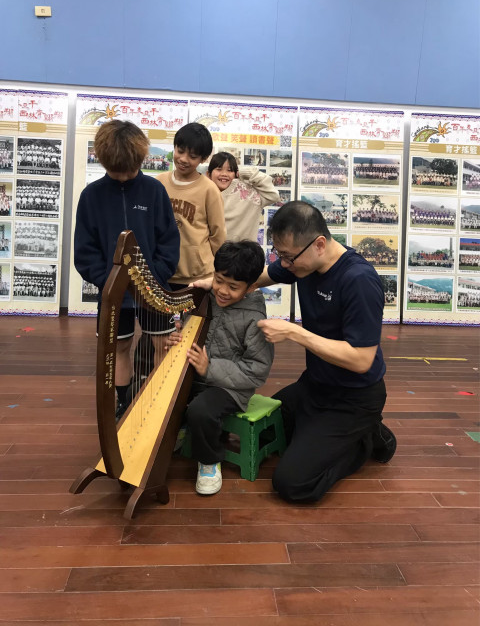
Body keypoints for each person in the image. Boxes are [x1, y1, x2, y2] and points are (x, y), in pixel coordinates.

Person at [252, 201, 396, 503]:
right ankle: (330, 433)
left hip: (354, 397)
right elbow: (262, 276)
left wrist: (294, 332)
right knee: (264, 433)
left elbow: (361, 359)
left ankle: (366, 440)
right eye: (280, 255)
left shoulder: (358, 280)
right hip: (315, 385)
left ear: (319, 244)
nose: (284, 265)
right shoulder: (302, 262)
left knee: (292, 482)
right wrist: (220, 285)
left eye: (288, 257)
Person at [74, 120, 180, 419]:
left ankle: (159, 404)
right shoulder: (91, 196)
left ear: (140, 159)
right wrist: (109, 281)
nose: (123, 176)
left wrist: (155, 275)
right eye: (115, 171)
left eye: (129, 171)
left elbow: (169, 241)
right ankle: (124, 404)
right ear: (103, 160)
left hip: (154, 289)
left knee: (163, 344)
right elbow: (85, 251)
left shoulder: (155, 190)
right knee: (118, 349)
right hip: (112, 293)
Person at [167, 240, 274, 496]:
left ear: (251, 287)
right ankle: (182, 428)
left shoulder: (255, 318)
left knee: (201, 410)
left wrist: (210, 368)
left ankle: (209, 460)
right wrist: (176, 337)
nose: (223, 291)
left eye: (233, 287)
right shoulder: (205, 298)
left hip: (231, 388)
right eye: (218, 280)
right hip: (195, 376)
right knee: (152, 386)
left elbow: (257, 370)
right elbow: (190, 332)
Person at [156, 123, 226, 289]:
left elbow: (218, 235)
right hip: (162, 272)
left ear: (204, 158)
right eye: (180, 151)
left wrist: (221, 273)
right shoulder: (158, 183)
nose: (183, 159)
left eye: (193, 156)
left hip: (198, 277)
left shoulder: (209, 189)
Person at [207, 151, 279, 241]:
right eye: (219, 169)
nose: (224, 174)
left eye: (230, 170)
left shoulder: (248, 193)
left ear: (235, 173)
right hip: (210, 250)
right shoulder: (203, 195)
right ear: (208, 174)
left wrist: (244, 172)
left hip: (244, 250)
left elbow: (273, 195)